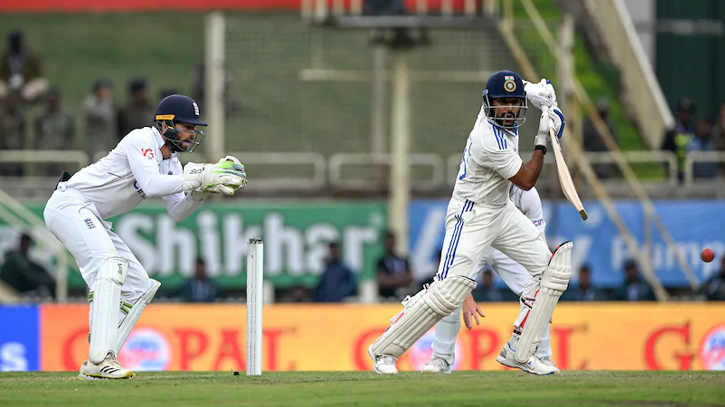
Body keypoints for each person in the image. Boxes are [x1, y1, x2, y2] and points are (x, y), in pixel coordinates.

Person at [367, 71, 571, 376]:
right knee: (447, 291)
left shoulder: (501, 112)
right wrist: (543, 137)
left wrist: (537, 91)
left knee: (552, 273)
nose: (508, 109)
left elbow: (509, 85)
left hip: (502, 211)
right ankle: (384, 351)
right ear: (489, 105)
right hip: (471, 215)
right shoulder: (488, 139)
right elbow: (527, 180)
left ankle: (521, 350)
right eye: (502, 103)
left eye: (514, 103)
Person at [42, 94, 247, 380]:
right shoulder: (140, 139)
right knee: (109, 267)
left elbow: (177, 210)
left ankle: (100, 360)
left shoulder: (172, 163)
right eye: (187, 126)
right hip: (69, 204)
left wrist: (200, 192)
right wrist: (201, 177)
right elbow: (150, 186)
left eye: (193, 128)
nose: (192, 133)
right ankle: (100, 360)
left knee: (139, 286)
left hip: (92, 215)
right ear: (166, 125)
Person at [422, 186, 559, 374]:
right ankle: (441, 359)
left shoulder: (527, 194)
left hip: (509, 247)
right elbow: (456, 247)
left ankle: (543, 357)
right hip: (476, 244)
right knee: (449, 292)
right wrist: (465, 296)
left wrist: (544, 297)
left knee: (537, 295)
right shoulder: (474, 187)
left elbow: (538, 244)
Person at [0, 233, 56, 299]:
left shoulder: (22, 257)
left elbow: (32, 269)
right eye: (24, 242)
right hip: (12, 286)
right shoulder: (16, 258)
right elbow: (29, 274)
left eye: (27, 242)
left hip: (18, 285)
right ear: (20, 242)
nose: (26, 245)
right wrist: (47, 279)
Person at [0, 30, 48, 103]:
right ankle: (9, 99)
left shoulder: (31, 56)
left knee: (43, 83)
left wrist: (28, 82)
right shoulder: (4, 57)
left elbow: (38, 75)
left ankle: (23, 99)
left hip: (26, 85)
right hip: (8, 86)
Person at [83, 79, 117, 160]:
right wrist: (106, 100)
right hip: (94, 146)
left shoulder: (109, 103)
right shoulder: (90, 103)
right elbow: (105, 115)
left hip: (108, 144)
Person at [376, 231, 413, 300]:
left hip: (403, 298)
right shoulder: (381, 262)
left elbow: (410, 278)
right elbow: (383, 281)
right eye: (388, 242)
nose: (390, 245)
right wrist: (400, 279)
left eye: (391, 242)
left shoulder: (403, 260)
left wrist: (392, 279)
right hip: (386, 298)